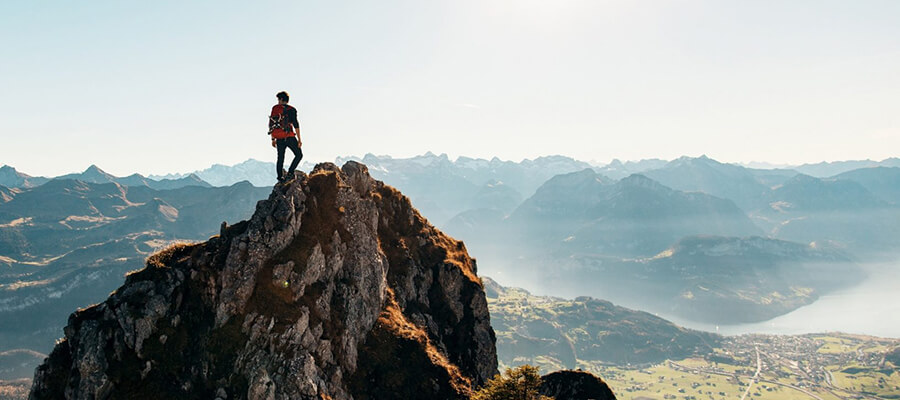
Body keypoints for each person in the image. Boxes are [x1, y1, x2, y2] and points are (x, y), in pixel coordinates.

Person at [268, 91, 303, 182]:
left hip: (279, 138)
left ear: (281, 99)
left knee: (280, 158)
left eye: (278, 99)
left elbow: (271, 124)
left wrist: (273, 138)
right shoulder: (291, 109)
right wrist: (299, 139)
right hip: (289, 136)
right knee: (299, 155)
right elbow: (296, 124)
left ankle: (280, 178)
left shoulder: (275, 108)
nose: (278, 101)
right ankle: (290, 173)